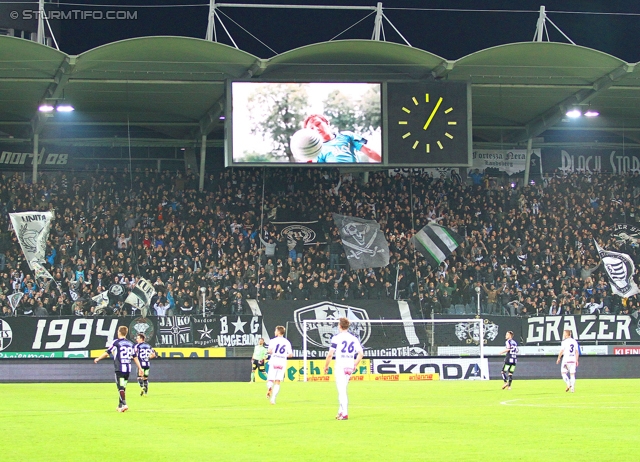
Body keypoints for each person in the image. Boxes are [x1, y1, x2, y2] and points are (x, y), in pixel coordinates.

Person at [323, 317, 364, 420]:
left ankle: (345, 413)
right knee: (343, 389)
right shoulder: (353, 338)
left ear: (339, 326)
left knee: (341, 391)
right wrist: (355, 364)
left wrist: (326, 366)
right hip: (349, 365)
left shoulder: (336, 338)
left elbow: (330, 354)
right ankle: (340, 411)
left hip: (341, 365)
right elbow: (361, 354)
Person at [94, 326, 141, 412]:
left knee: (120, 387)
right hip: (128, 369)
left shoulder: (116, 342)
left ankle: (125, 404)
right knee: (123, 387)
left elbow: (107, 352)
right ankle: (120, 406)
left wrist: (98, 358)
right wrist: (140, 368)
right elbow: (135, 357)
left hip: (119, 368)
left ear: (119, 332)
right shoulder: (131, 344)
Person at [303, 114, 380, 163]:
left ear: (326, 123)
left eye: (318, 124)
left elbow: (369, 151)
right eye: (312, 128)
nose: (316, 128)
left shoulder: (346, 136)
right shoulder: (317, 151)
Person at [266, 326, 292, 405]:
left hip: (274, 361)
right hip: (282, 362)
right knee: (278, 381)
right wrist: (283, 355)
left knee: (270, 379)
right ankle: (273, 399)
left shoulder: (273, 341)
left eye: (275, 330)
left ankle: (270, 387)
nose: (275, 332)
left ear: (278, 332)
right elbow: (290, 355)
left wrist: (274, 353)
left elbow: (269, 351)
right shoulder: (287, 342)